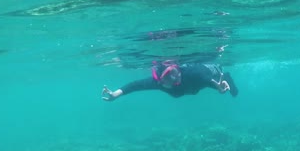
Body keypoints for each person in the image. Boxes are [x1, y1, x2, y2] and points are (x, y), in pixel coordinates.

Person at [102, 61, 238, 101]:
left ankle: (226, 76)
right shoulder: (158, 83)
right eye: (166, 81)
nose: (170, 83)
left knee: (233, 92)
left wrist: (218, 87)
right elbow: (135, 86)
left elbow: (207, 80)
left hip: (210, 70)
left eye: (173, 78)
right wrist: (115, 95)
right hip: (196, 84)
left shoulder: (194, 73)